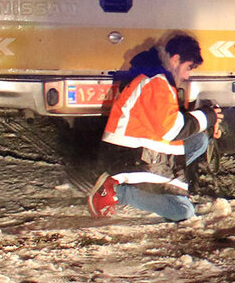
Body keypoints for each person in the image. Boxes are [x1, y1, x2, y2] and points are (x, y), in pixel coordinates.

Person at [87, 33, 223, 221]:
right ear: (175, 60)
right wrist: (208, 117)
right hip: (128, 157)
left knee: (198, 141)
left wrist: (208, 122)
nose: (187, 75)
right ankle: (117, 191)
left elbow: (174, 124)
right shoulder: (157, 82)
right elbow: (171, 130)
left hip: (139, 154)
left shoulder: (157, 78)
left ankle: (146, 190)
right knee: (182, 210)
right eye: (188, 68)